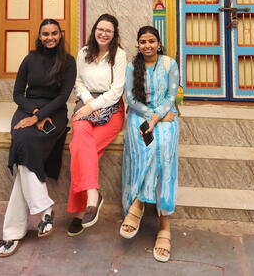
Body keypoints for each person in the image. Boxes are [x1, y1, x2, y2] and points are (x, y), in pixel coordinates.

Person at [0, 19, 76, 257]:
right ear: (39, 36)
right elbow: (17, 94)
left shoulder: (68, 62)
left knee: (25, 153)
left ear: (60, 35)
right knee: (22, 140)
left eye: (54, 33)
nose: (50, 37)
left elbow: (62, 97)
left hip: (55, 112)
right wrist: (33, 113)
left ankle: (13, 232)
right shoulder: (30, 59)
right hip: (27, 109)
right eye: (45, 34)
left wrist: (41, 116)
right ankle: (45, 209)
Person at [120, 26, 179, 263]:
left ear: (159, 43)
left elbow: (171, 97)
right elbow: (131, 99)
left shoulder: (169, 64)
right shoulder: (131, 67)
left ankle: (139, 204)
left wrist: (157, 117)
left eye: (151, 41)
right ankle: (164, 227)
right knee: (151, 147)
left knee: (162, 148)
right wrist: (151, 117)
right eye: (143, 42)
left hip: (166, 116)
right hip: (139, 117)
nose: (147, 46)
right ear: (138, 45)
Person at [67, 14, 127, 236]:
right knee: (81, 142)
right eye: (100, 29)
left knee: (81, 149)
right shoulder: (84, 53)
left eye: (108, 31)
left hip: (111, 109)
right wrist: (88, 103)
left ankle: (78, 212)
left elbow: (117, 90)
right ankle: (93, 198)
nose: (103, 34)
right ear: (94, 30)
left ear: (114, 34)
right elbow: (78, 81)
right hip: (85, 104)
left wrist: (95, 106)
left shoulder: (119, 55)